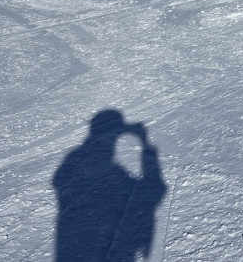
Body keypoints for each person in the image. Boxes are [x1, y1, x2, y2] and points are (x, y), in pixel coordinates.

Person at [53, 110, 167, 261]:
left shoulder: (76, 158)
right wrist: (144, 143)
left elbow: (59, 181)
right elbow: (154, 189)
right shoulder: (95, 165)